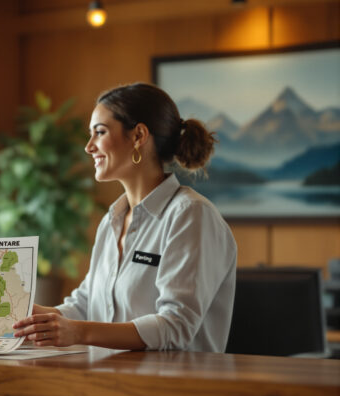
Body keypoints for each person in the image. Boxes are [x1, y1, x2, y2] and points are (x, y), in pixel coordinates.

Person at [13, 83, 237, 352]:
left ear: (139, 135)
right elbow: (86, 305)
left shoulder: (191, 215)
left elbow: (176, 326)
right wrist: (30, 315)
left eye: (100, 132)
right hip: (108, 382)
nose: (88, 147)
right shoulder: (112, 220)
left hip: (174, 389)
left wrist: (79, 332)